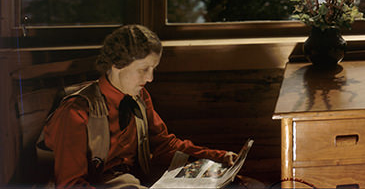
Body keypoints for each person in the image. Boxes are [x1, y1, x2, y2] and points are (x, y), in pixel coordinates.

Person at [42, 24, 237, 188]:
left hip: (136, 179)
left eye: (153, 69)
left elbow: (165, 145)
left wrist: (218, 156)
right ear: (117, 64)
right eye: (144, 70)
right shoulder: (76, 112)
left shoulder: (140, 97)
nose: (150, 78)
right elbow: (70, 184)